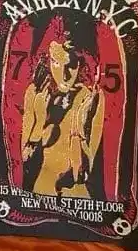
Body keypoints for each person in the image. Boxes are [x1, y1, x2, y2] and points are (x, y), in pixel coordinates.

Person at [20, 35, 104, 198]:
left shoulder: (90, 98)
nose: (64, 75)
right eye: (56, 63)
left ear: (80, 64)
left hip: (76, 197)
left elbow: (81, 174)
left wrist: (78, 125)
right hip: (40, 191)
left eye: (71, 65)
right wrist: (39, 121)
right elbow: (25, 160)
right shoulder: (34, 93)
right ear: (48, 61)